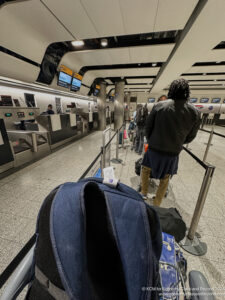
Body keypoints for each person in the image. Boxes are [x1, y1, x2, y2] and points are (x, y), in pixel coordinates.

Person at [140, 79, 200, 206]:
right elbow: (191, 137)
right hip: (173, 152)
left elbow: (148, 128)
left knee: (145, 170)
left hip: (154, 148)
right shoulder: (195, 112)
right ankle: (157, 203)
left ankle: (143, 194)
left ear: (171, 90)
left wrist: (152, 141)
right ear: (187, 92)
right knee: (165, 178)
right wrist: (178, 142)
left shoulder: (160, 106)